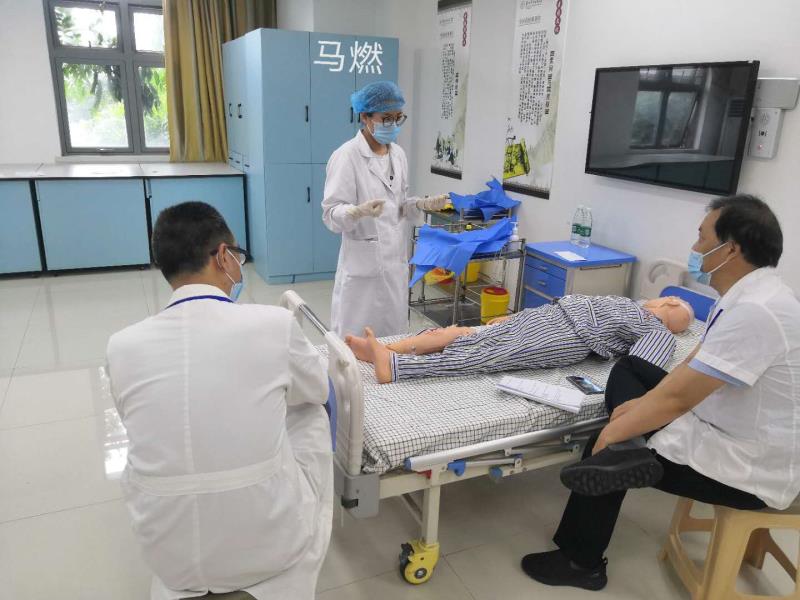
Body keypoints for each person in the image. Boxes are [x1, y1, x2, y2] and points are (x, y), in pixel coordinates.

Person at [521, 194, 800, 592]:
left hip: (748, 468)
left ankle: (580, 563)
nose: (695, 247)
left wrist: (615, 430)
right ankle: (630, 447)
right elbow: (688, 368)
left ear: (731, 249)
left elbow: (678, 400)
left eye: (702, 237)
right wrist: (634, 409)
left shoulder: (757, 311)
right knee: (631, 367)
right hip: (722, 420)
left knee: (607, 447)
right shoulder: (749, 296)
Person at [106, 202, 332, 600]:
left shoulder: (122, 346)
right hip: (269, 550)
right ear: (223, 256)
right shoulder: (273, 324)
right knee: (310, 411)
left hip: (170, 558)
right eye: (238, 257)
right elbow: (317, 390)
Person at [322, 80, 449, 338]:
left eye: (397, 118)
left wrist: (421, 204)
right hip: (362, 271)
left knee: (393, 337)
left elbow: (398, 206)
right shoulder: (346, 156)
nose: (392, 124)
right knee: (357, 339)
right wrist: (356, 212)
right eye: (386, 118)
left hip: (394, 265)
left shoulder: (398, 154)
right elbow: (331, 214)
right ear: (365, 116)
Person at [345, 295, 694, 383]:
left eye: (675, 310)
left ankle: (395, 367)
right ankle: (385, 350)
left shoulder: (657, 329)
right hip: (549, 315)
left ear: (670, 305)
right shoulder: (628, 302)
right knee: (461, 334)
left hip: (568, 337)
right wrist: (515, 317)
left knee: (484, 356)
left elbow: (640, 367)